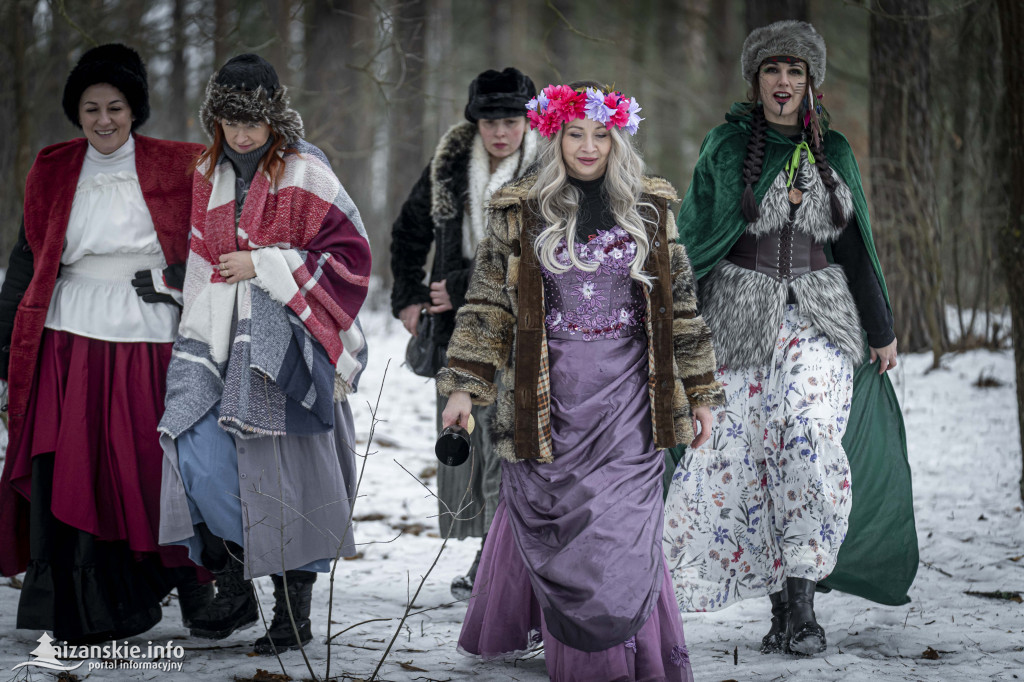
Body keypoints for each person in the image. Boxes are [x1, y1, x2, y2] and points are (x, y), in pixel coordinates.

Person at [438, 81, 724, 681]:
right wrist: (464, 384)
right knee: (562, 524)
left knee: (620, 526)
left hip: (630, 399)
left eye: (601, 134)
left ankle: (624, 656)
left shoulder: (650, 209)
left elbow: (682, 310)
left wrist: (700, 392)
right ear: (556, 137)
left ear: (619, 139)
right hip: (547, 397)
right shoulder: (518, 211)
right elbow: (488, 305)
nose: (588, 146)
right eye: (575, 133)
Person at [662, 20, 917, 657]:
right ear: (756, 80)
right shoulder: (725, 146)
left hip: (820, 316)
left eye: (795, 71)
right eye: (772, 70)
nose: (783, 81)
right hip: (737, 317)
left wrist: (881, 327)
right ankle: (779, 606)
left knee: (806, 437)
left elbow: (856, 246)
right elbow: (695, 237)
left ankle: (803, 605)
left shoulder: (836, 152)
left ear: (811, 82)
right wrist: (673, 322)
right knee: (743, 451)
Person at [156, 54, 372, 655]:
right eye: (230, 122)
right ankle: (235, 584)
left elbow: (352, 258)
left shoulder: (307, 169)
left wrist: (265, 264)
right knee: (199, 452)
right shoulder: (210, 171)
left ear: (274, 118)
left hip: (291, 344)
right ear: (215, 121)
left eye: (253, 122)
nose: (243, 134)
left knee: (288, 476)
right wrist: (193, 310)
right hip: (222, 339)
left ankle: (291, 608)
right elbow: (204, 257)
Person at [0, 44, 211, 644]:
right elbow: (28, 257)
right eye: (91, 108)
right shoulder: (53, 166)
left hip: (150, 330)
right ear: (77, 112)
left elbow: (213, 243)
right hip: (67, 332)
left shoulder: (181, 163)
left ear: (134, 109)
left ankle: (184, 585)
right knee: (73, 462)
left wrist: (175, 280)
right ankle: (80, 603)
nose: (103, 119)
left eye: (115, 106)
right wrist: (4, 341)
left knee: (149, 459)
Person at [390, 67, 538, 598]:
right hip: (457, 334)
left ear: (529, 121)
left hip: (525, 330)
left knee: (507, 446)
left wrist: (459, 284)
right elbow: (409, 231)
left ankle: (496, 560)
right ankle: (490, 549)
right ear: (475, 121)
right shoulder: (450, 164)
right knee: (465, 444)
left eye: (511, 120)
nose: (500, 131)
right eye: (490, 121)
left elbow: (538, 253)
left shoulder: (547, 168)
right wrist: (408, 297)